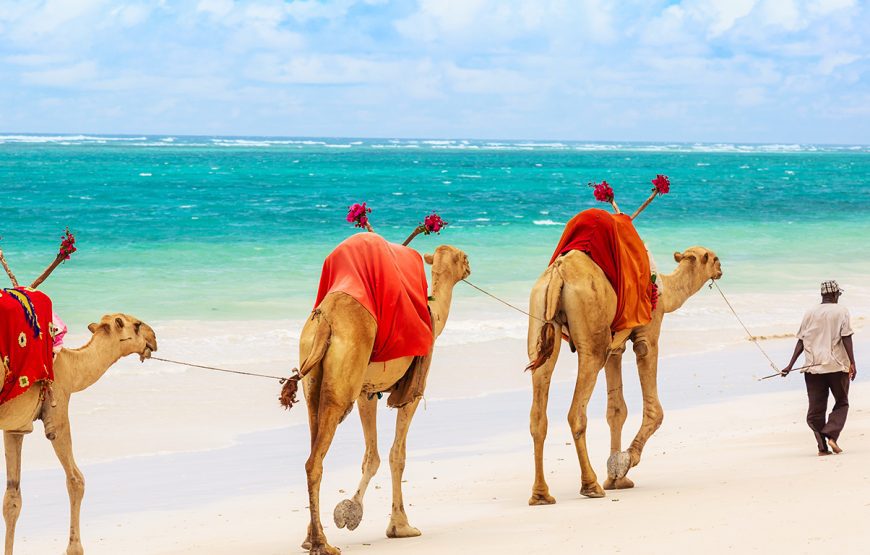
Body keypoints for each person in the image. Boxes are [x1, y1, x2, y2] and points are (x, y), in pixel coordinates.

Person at [782, 280, 856, 456]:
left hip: (813, 368)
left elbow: (801, 340)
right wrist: (852, 362)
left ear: (823, 295)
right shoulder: (842, 311)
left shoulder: (810, 312)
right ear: (835, 294)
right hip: (837, 366)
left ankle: (822, 447)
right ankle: (831, 435)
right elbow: (846, 337)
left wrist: (790, 365)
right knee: (842, 402)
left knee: (816, 410)